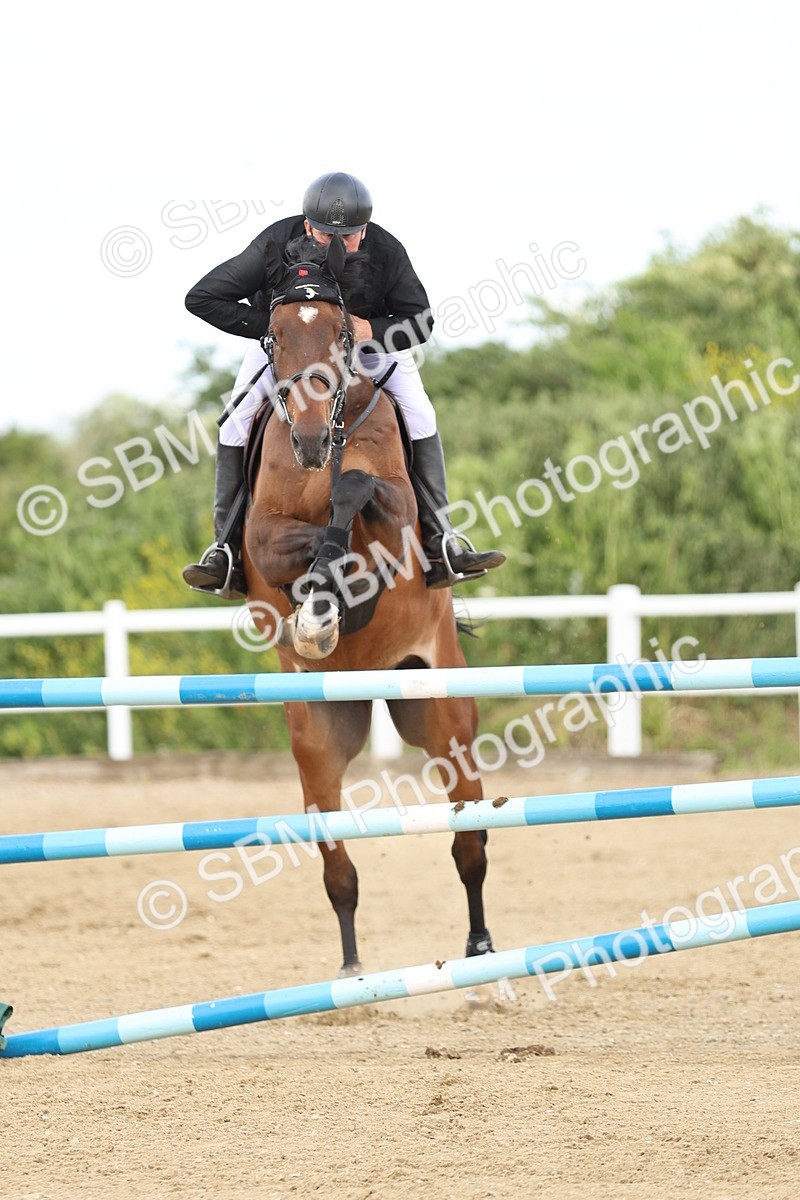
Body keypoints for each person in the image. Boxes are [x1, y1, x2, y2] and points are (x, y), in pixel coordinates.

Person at [182, 171, 505, 597]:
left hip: (370, 343)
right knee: (233, 422)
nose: (335, 244)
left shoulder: (386, 251)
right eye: (322, 235)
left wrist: (373, 328)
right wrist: (283, 330)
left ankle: (440, 539)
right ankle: (225, 551)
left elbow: (422, 321)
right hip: (292, 347)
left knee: (421, 413)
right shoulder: (274, 243)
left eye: (349, 237)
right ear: (305, 224)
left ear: (364, 229)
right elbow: (201, 297)